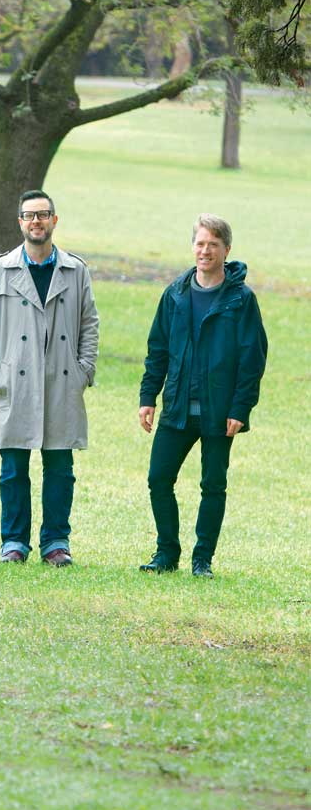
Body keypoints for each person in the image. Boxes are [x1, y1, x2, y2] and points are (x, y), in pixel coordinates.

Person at [0, 189, 99, 566]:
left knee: (60, 469)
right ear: (20, 223)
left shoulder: (75, 270)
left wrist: (83, 370)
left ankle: (56, 542)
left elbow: (89, 322)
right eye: (29, 216)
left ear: (54, 221)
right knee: (13, 469)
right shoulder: (0, 269)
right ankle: (14, 542)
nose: (36, 222)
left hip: (61, 381)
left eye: (43, 215)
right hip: (15, 381)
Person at [139, 214, 267, 578]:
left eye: (213, 244)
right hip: (177, 407)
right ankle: (166, 554)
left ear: (226, 249)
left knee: (213, 485)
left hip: (219, 411)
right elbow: (158, 350)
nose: (205, 250)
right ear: (192, 247)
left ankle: (202, 560)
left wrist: (241, 407)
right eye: (200, 243)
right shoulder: (175, 294)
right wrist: (149, 397)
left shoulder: (241, 300)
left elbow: (252, 359)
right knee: (159, 478)